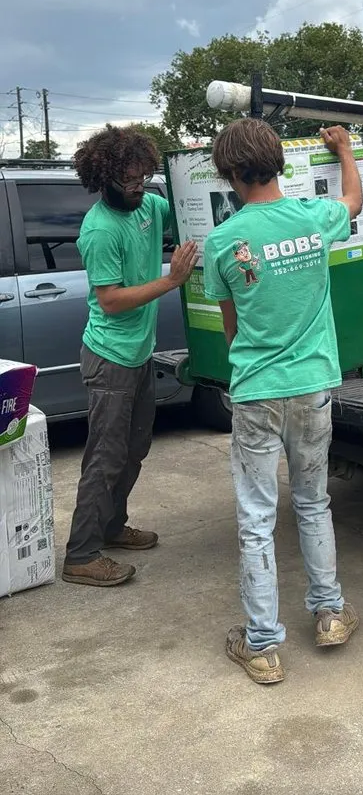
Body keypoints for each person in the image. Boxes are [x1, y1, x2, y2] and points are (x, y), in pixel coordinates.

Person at [203, 118, 363, 684]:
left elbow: (230, 329)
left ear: (228, 174)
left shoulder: (222, 241)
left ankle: (264, 645)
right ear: (281, 164)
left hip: (256, 392)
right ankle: (329, 615)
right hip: (313, 385)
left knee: (256, 518)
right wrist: (343, 149)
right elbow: (353, 199)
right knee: (313, 502)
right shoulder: (313, 219)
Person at [63, 126, 197, 587]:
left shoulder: (148, 207)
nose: (139, 187)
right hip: (110, 358)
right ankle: (81, 554)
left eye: (144, 177)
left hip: (138, 354)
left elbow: (181, 214)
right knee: (105, 455)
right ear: (104, 179)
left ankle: (112, 527)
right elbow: (112, 300)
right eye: (129, 181)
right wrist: (171, 281)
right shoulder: (101, 230)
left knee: (134, 448)